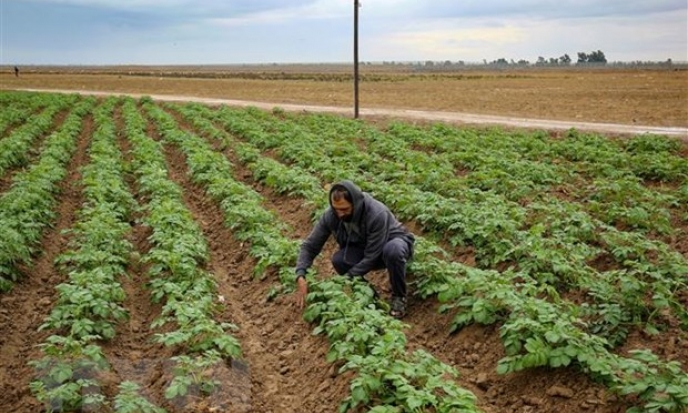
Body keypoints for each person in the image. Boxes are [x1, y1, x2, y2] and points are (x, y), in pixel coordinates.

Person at [294, 180, 415, 318]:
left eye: (345, 209)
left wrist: (343, 281)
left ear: (356, 204)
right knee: (339, 260)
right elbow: (310, 246)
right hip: (364, 245)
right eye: (336, 209)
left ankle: (399, 297)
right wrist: (301, 274)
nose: (340, 214)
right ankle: (368, 296)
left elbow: (371, 256)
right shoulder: (331, 215)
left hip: (391, 243)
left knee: (393, 250)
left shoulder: (376, 213)